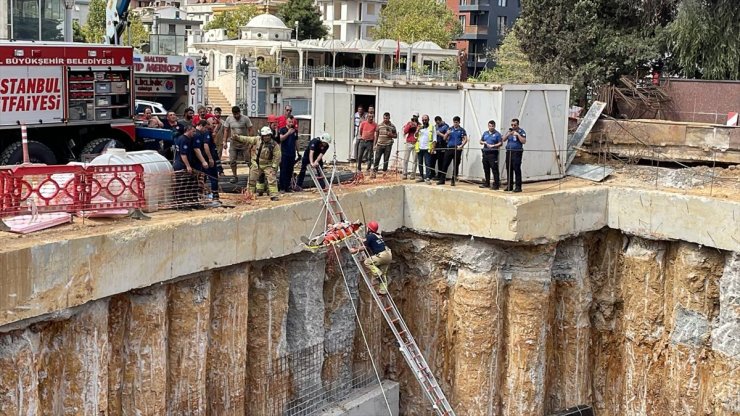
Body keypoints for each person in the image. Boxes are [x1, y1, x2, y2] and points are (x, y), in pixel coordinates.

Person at [234, 126, 281, 201]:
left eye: (268, 135)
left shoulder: (274, 145)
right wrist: (237, 137)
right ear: (262, 136)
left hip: (268, 165)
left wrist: (274, 167)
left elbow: (277, 157)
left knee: (272, 180)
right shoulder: (257, 140)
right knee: (251, 180)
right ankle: (250, 194)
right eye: (265, 136)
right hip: (256, 163)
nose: (267, 137)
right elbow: (247, 139)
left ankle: (274, 195)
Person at [352, 220, 392, 295]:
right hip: (388, 255)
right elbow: (367, 241)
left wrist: (355, 250)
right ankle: (383, 291)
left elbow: (364, 247)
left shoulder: (370, 236)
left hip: (382, 255)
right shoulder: (377, 235)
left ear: (369, 229)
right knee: (383, 275)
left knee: (367, 262)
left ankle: (377, 273)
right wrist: (361, 239)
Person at [223, 106, 254, 183]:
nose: (236, 116)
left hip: (244, 142)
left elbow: (250, 129)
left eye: (237, 114)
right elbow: (226, 130)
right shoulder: (229, 119)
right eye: (235, 114)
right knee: (232, 160)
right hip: (234, 142)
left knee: (248, 160)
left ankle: (253, 176)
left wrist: (250, 141)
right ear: (233, 113)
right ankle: (234, 176)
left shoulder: (245, 118)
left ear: (239, 112)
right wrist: (224, 141)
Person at [172, 125, 199, 209]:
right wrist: (188, 166)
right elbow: (183, 154)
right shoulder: (184, 139)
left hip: (181, 164)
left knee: (187, 184)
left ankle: (187, 202)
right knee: (181, 185)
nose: (194, 133)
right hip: (181, 165)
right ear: (188, 130)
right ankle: (180, 203)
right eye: (193, 131)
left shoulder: (183, 138)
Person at [437, 116, 467, 185]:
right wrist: (447, 133)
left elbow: (465, 139)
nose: (455, 124)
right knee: (445, 164)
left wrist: (461, 146)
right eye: (454, 122)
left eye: (456, 122)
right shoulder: (450, 128)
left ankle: (453, 180)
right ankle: (442, 180)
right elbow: (444, 138)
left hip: (457, 149)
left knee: (456, 164)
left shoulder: (462, 130)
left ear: (459, 122)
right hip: (449, 148)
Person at [502, 118, 526, 192]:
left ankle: (518, 187)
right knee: (509, 168)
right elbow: (503, 139)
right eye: (512, 125)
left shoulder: (521, 131)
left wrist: (518, 135)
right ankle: (510, 185)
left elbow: (524, 141)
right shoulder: (509, 131)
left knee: (516, 168)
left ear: (518, 125)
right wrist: (509, 133)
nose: (513, 126)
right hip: (509, 151)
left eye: (514, 125)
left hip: (517, 152)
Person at [372, 112, 397, 177]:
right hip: (380, 144)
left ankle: (384, 173)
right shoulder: (379, 125)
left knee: (386, 159)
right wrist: (375, 145)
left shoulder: (392, 126)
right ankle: (374, 172)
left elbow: (396, 136)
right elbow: (376, 136)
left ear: (389, 118)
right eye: (384, 118)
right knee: (377, 158)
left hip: (388, 145)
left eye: (387, 118)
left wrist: (391, 135)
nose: (385, 119)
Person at [278, 115, 299, 192]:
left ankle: (288, 187)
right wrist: (288, 133)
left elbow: (296, 141)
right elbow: (280, 139)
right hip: (284, 153)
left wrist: (298, 151)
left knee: (290, 170)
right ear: (286, 122)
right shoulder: (283, 130)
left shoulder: (295, 131)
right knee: (283, 170)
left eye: (292, 122)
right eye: (289, 122)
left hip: (292, 153)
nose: (291, 123)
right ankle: (282, 187)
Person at [480, 120, 503, 190]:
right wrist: (484, 142)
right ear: (488, 126)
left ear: (494, 126)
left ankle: (496, 184)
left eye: (492, 126)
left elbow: (501, 143)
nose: (491, 127)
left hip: (493, 154)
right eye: (490, 126)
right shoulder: (485, 133)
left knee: (494, 169)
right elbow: (480, 141)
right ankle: (487, 183)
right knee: (486, 169)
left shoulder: (497, 134)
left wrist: (493, 145)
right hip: (485, 153)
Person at [415, 114, 435, 182]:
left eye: (425, 120)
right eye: (423, 120)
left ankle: (427, 177)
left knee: (427, 163)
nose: (424, 121)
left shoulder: (432, 127)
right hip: (420, 148)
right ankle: (421, 176)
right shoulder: (420, 127)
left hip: (427, 148)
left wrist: (433, 148)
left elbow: (434, 139)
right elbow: (415, 136)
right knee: (420, 163)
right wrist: (417, 130)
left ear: (428, 120)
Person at [402, 113, 419, 179]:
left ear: (418, 117)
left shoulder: (420, 124)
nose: (414, 118)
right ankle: (404, 173)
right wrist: (410, 125)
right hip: (408, 142)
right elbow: (405, 131)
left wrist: (416, 126)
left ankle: (413, 174)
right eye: (414, 116)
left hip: (416, 143)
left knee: (415, 160)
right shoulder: (409, 123)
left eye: (416, 117)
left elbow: (419, 132)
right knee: (406, 159)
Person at [432, 116, 449, 181]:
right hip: (435, 145)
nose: (437, 124)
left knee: (440, 161)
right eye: (436, 122)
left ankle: (440, 175)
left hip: (442, 145)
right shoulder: (435, 126)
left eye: (438, 122)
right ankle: (432, 174)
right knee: (432, 161)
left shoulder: (445, 126)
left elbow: (447, 137)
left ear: (441, 120)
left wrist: (439, 134)